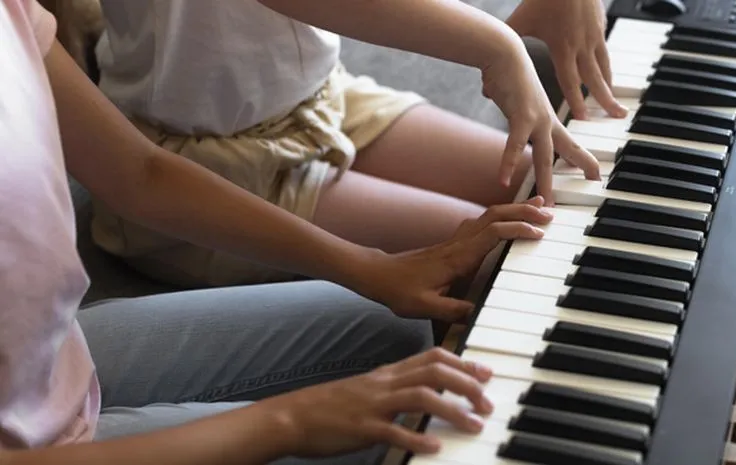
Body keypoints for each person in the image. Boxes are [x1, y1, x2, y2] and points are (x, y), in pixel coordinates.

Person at [0, 0, 555, 463]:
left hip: (51, 362)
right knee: (405, 436)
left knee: (399, 328)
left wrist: (371, 267)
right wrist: (287, 421)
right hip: (31, 440)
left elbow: (136, 171)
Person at [87, 0, 626, 288]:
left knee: (571, 203)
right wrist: (495, 46)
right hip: (204, 165)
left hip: (320, 100)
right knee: (514, 260)